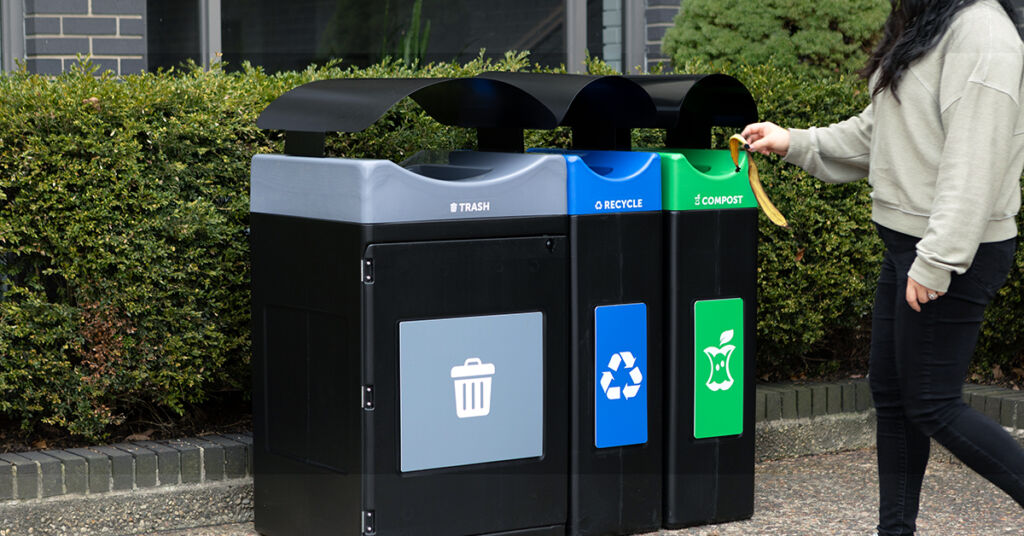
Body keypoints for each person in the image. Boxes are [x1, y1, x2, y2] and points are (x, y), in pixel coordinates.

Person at [741, 0, 1024, 534]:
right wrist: (795, 142)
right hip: (909, 247)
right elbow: (884, 132)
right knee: (893, 398)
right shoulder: (933, 24)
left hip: (949, 251)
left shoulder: (983, 31)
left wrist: (937, 261)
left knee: (933, 405)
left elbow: (975, 164)